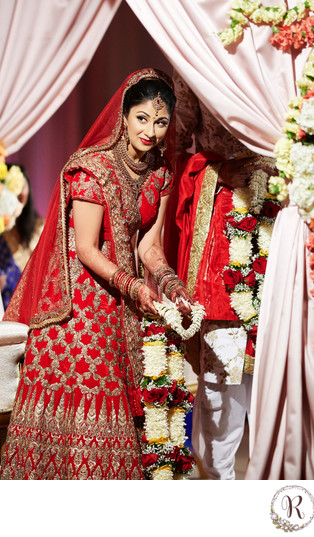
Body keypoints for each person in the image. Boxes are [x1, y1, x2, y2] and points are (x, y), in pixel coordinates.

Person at [0, 68, 192, 480]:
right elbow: (86, 248)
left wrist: (173, 287)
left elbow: (148, 246)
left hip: (126, 297)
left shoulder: (160, 171)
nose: (151, 131)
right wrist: (136, 286)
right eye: (142, 118)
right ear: (124, 116)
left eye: (161, 122)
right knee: (96, 408)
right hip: (84, 306)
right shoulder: (93, 168)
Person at [169, 70, 275, 480]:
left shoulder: (289, 42)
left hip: (285, 211)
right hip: (225, 210)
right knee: (223, 377)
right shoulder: (197, 41)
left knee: (280, 367)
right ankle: (218, 495)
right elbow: (178, 140)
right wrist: (215, 174)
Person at [0, 165, 44, 309]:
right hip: (8, 311)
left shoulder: (41, 227)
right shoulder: (2, 232)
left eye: (21, 187)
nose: (17, 193)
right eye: (11, 188)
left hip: (39, 306)